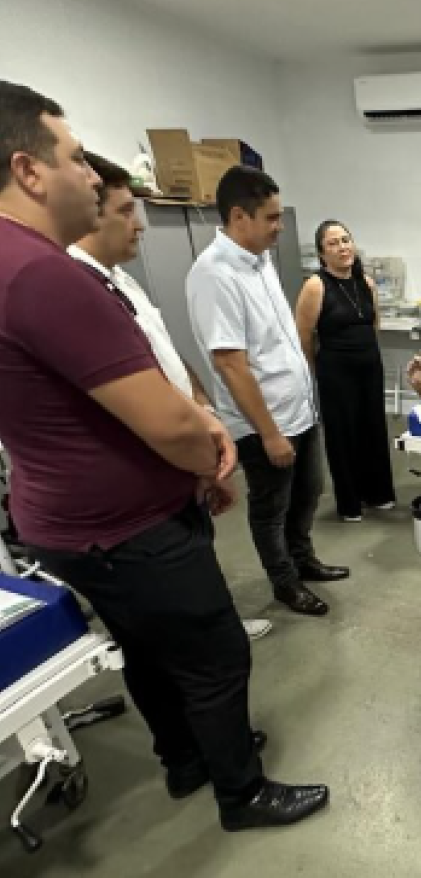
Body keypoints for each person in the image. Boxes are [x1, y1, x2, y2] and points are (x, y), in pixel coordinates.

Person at [0, 80, 327, 831]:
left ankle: (186, 760)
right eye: (76, 158)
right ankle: (241, 792)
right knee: (215, 652)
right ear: (28, 170)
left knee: (145, 649)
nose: (92, 175)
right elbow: (163, 421)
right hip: (126, 527)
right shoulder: (42, 273)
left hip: (66, 521)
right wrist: (207, 458)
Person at [69, 152, 273, 642]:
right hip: (147, 483)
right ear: (88, 215)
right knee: (179, 627)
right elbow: (145, 405)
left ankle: (218, 624)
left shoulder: (122, 280)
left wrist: (203, 410)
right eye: (125, 211)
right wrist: (205, 460)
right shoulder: (76, 290)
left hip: (185, 464)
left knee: (199, 567)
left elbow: (167, 358)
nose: (139, 225)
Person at [187, 166, 349, 617]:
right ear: (240, 216)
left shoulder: (260, 261)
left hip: (299, 410)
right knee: (271, 507)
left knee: (308, 493)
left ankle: (303, 559)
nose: (280, 226)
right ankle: (284, 582)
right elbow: (230, 363)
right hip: (266, 423)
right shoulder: (215, 275)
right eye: (272, 217)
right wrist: (270, 434)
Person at [294, 220, 395, 522]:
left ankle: (378, 493)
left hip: (369, 367)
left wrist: (367, 353)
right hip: (336, 371)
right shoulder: (316, 285)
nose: (342, 247)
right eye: (333, 243)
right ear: (321, 253)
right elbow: (303, 334)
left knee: (373, 429)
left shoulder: (366, 282)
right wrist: (316, 368)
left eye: (345, 240)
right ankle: (350, 502)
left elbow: (373, 324)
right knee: (343, 435)